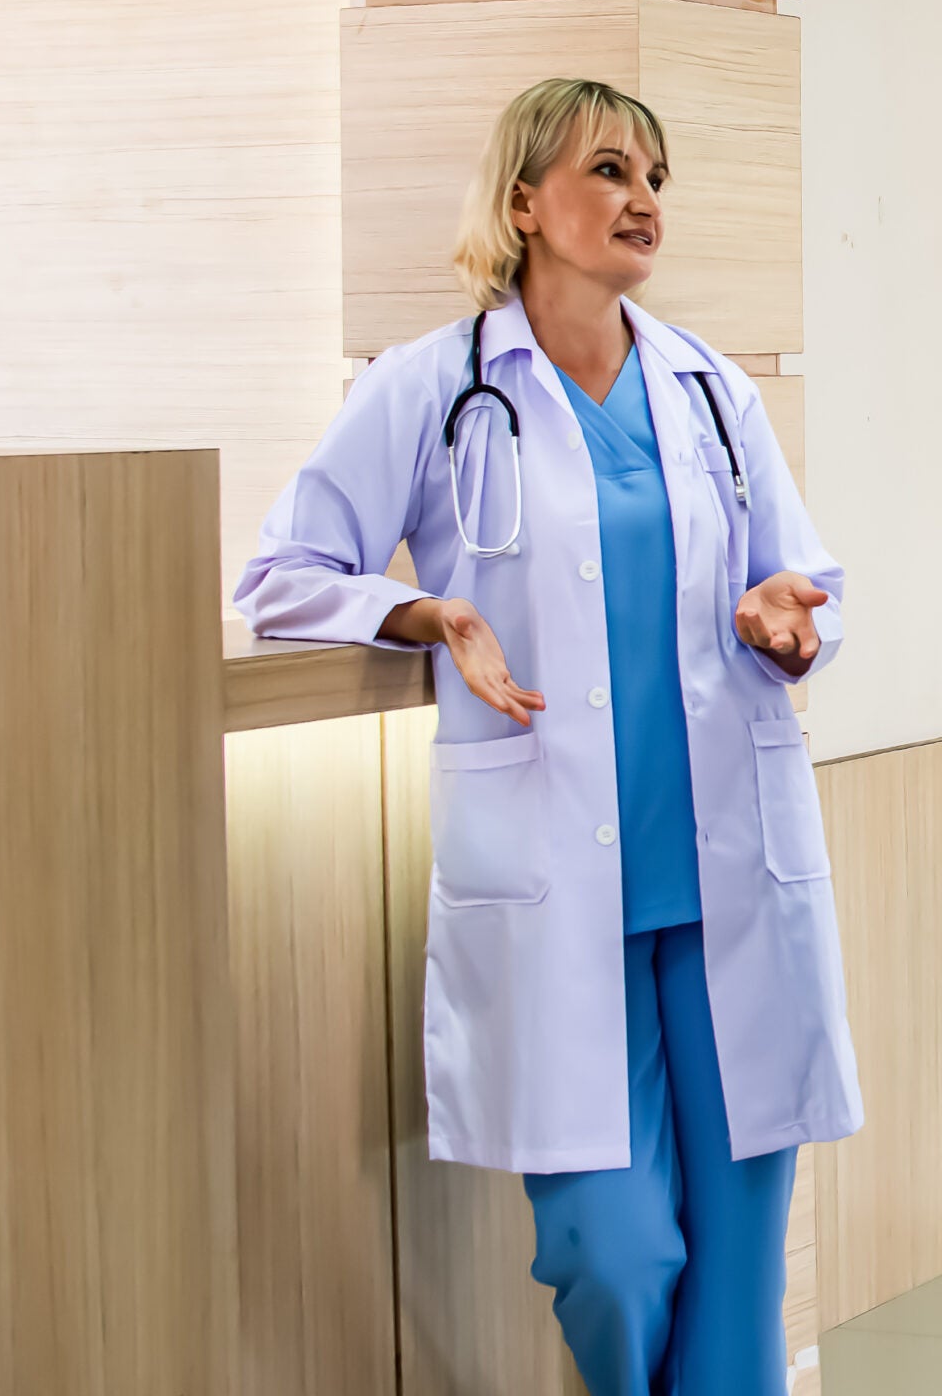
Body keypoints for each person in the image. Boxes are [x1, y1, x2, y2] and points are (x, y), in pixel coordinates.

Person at [234, 79, 857, 1395]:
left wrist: (787, 621)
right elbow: (278, 573)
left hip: (724, 875)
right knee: (614, 1255)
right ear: (525, 202)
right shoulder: (434, 386)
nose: (643, 200)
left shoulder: (708, 391)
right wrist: (425, 610)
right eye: (611, 170)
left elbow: (803, 585)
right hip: (556, 884)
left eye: (657, 177)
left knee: (740, 1284)